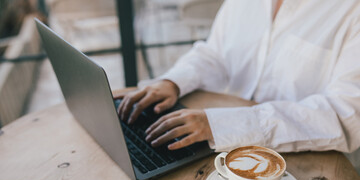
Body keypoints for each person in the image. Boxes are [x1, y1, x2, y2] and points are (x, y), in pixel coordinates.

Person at [115, 0, 360, 159]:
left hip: (308, 158)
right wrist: (172, 82)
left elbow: (348, 114)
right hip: (222, 139)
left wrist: (224, 126)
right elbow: (216, 53)